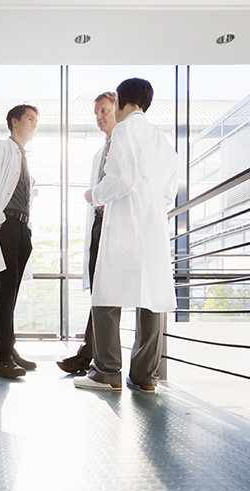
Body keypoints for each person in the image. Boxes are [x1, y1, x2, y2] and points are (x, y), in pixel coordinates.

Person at [74, 78, 178, 393]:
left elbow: (121, 178)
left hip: (124, 223)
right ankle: (145, 377)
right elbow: (169, 192)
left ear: (121, 101)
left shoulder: (124, 131)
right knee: (151, 296)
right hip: (153, 225)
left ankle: (107, 372)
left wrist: (95, 193)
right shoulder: (162, 138)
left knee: (106, 294)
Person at [0, 104, 39, 378]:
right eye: (30, 119)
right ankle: (1, 358)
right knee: (5, 289)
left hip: (22, 227)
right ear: (14, 122)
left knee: (12, 291)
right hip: (6, 224)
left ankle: (9, 350)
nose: (35, 125)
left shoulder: (23, 156)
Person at [57, 92, 117, 374]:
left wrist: (95, 194)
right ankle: (89, 354)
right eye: (96, 113)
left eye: (104, 110)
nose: (99, 117)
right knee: (99, 291)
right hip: (99, 223)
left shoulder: (123, 145)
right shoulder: (101, 152)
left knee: (107, 293)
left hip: (114, 225)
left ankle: (91, 357)